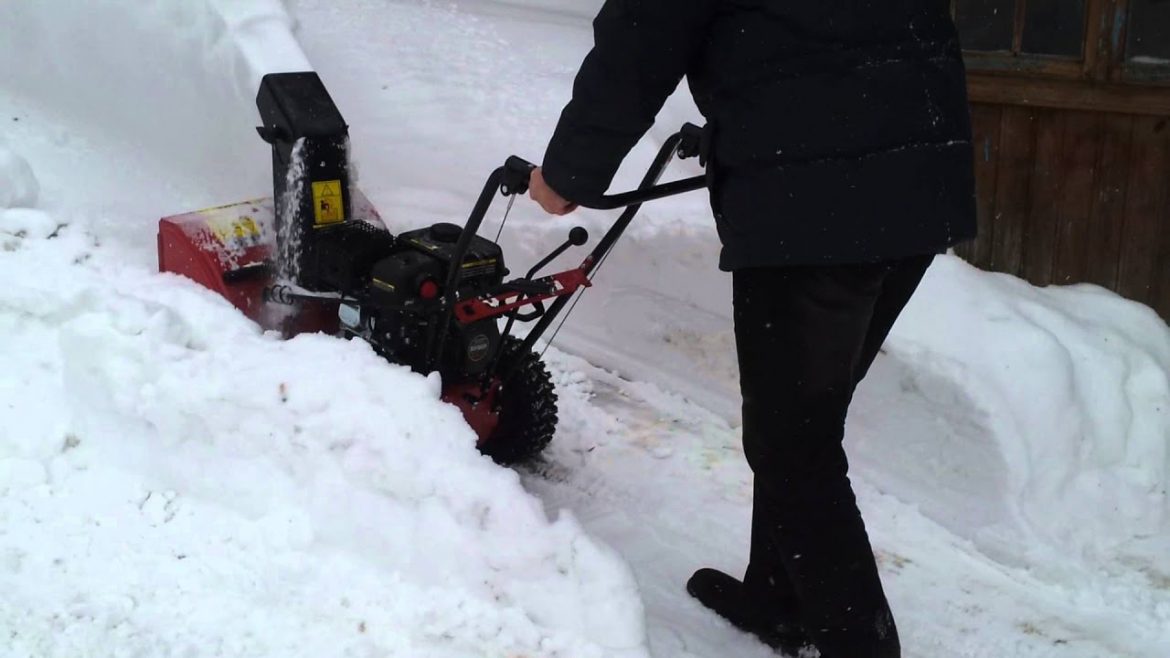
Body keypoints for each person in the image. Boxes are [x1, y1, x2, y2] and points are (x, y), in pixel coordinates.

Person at [527, 2, 976, 657]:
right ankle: (777, 595)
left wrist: (568, 174)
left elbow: (643, 32)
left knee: (793, 447)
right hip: (916, 173)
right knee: (803, 423)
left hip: (820, 193)